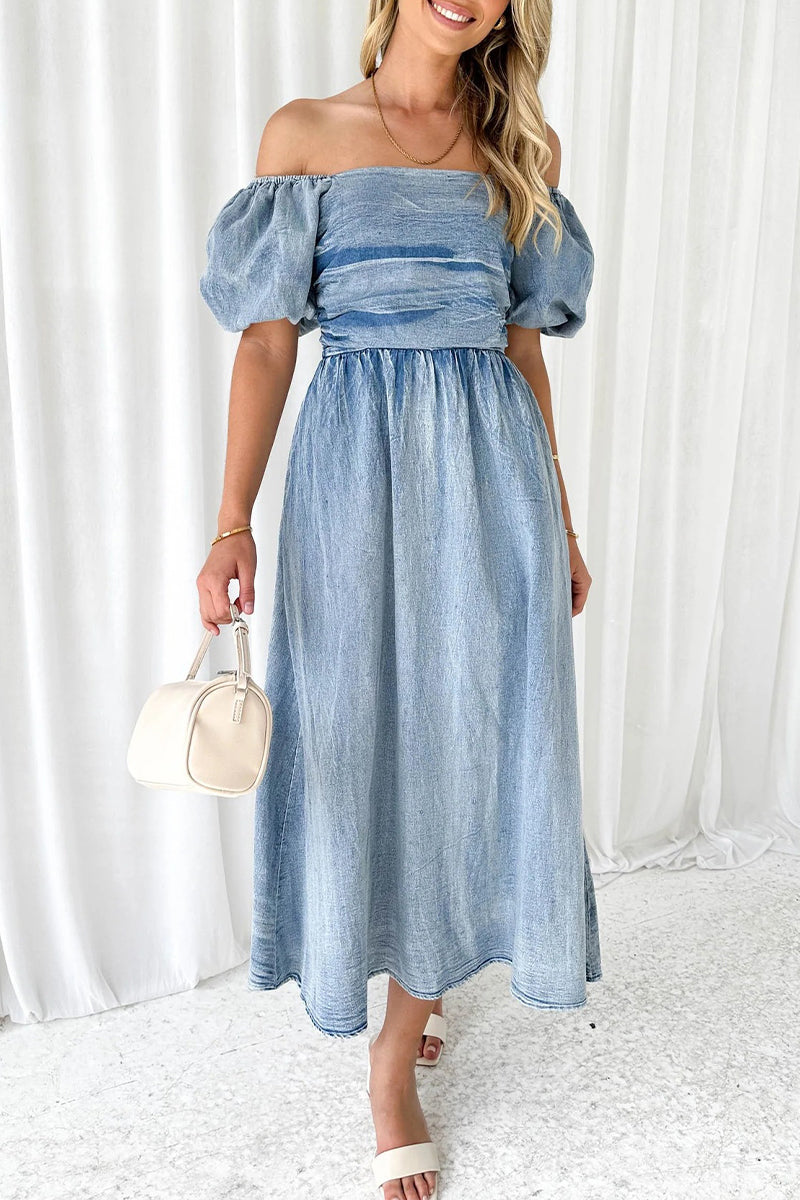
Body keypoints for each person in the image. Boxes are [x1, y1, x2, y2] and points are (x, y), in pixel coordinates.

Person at [197, 1, 602, 1195]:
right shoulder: (304, 133)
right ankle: (390, 966)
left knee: (466, 742)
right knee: (351, 737)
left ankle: (396, 1051)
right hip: (351, 478)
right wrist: (230, 520)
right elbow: (266, 342)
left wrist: (561, 520)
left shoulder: (520, 146)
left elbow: (523, 349)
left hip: (489, 479)